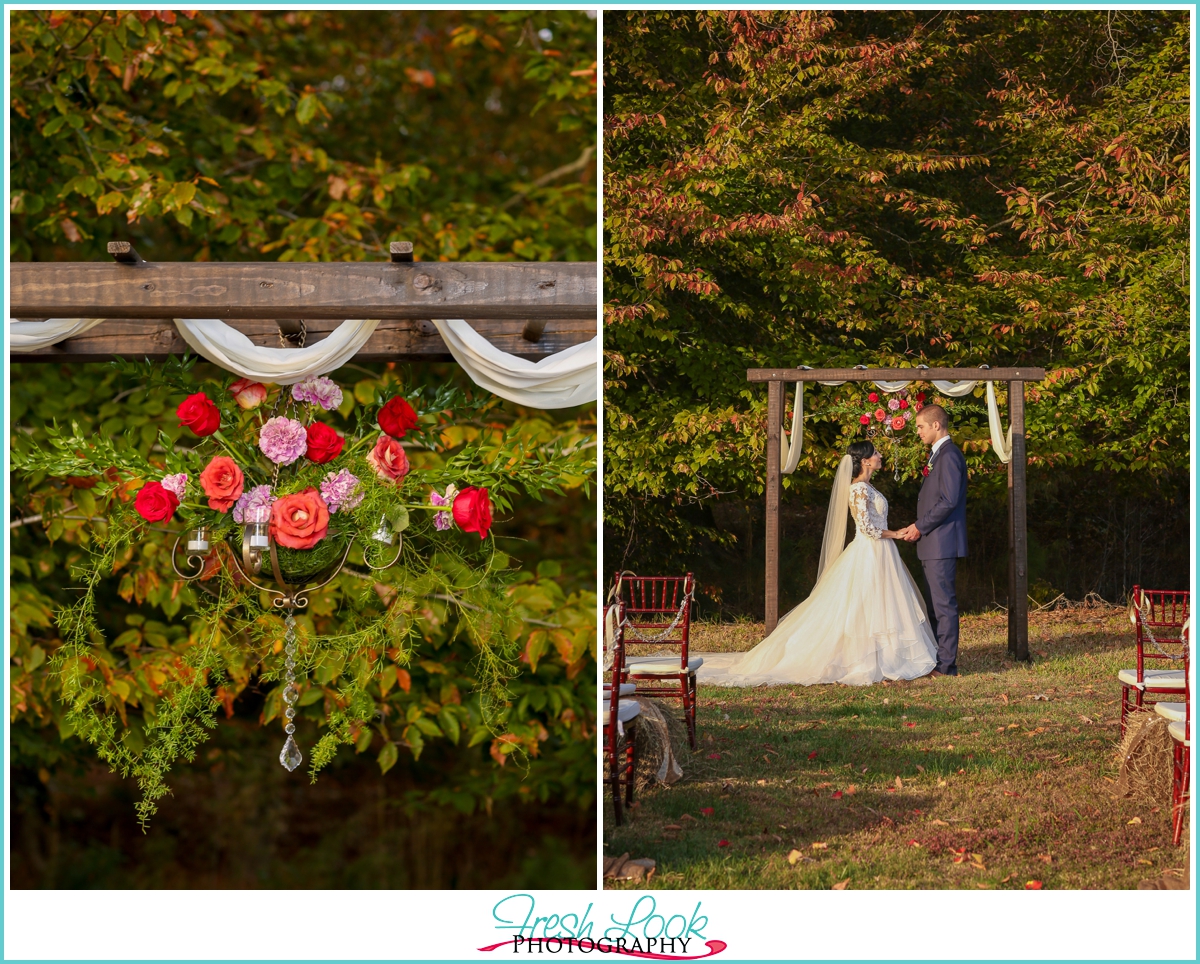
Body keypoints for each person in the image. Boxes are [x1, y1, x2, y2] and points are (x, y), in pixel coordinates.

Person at [697, 439, 937, 687]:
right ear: (865, 460)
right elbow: (867, 528)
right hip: (870, 551)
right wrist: (896, 534)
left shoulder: (867, 487)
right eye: (875, 452)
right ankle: (862, 660)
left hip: (881, 553)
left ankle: (884, 658)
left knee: (880, 605)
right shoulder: (858, 489)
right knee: (862, 606)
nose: (880, 455)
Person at [897, 404, 968, 676]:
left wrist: (919, 525)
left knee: (943, 605)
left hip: (942, 541)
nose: (918, 432)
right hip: (933, 542)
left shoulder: (949, 456)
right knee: (935, 606)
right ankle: (938, 658)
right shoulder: (938, 455)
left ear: (936, 425)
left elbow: (948, 500)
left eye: (920, 427)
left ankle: (947, 665)